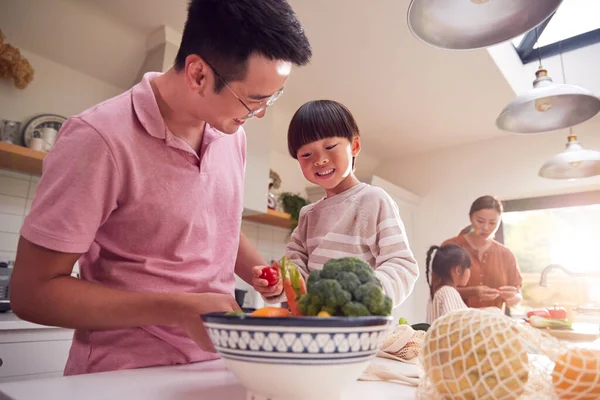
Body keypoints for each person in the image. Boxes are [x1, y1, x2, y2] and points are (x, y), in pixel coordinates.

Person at [10, 0, 311, 376]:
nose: (261, 113)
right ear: (198, 74)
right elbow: (31, 293)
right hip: (123, 374)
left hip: (218, 366)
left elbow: (215, 225)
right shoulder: (99, 138)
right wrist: (177, 310)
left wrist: (267, 275)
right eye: (254, 100)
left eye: (272, 98)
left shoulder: (231, 134)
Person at [252, 100, 419, 307]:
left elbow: (402, 265)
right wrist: (278, 283)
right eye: (306, 154)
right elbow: (297, 273)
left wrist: (367, 294)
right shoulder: (308, 216)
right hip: (315, 327)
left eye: (330, 146)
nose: (320, 160)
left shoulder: (373, 201)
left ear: (355, 146)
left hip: (359, 330)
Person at [442, 196, 522, 310]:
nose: (486, 227)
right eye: (480, 221)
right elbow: (438, 291)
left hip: (494, 324)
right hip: (457, 324)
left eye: (492, 223)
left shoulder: (506, 254)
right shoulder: (450, 247)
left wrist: (514, 298)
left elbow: (517, 293)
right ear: (470, 218)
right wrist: (473, 292)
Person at [425, 244, 471, 323]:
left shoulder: (439, 292)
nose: (470, 272)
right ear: (458, 270)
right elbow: (453, 326)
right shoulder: (447, 292)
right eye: (469, 268)